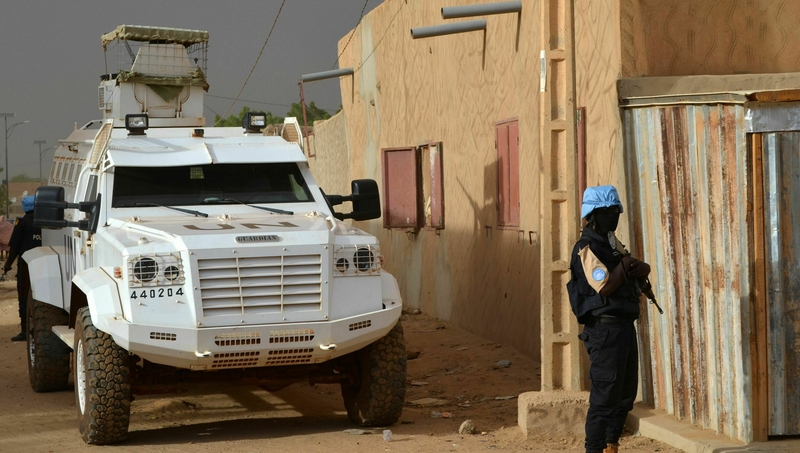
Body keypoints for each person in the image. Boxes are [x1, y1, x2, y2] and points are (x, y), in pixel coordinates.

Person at [567, 185, 651, 453]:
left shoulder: (611, 243)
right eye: (608, 212)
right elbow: (605, 286)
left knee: (624, 396)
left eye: (616, 211)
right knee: (604, 400)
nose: (614, 217)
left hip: (623, 328)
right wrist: (626, 265)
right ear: (593, 215)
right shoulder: (586, 247)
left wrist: (640, 267)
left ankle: (610, 446)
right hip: (604, 332)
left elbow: (627, 267)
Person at [4, 196, 42, 342]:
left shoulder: (22, 223)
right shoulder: (45, 222)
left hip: (26, 265)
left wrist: (8, 265)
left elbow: (14, 247)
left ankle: (25, 330)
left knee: (24, 296)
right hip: (44, 264)